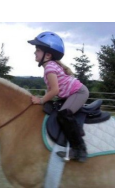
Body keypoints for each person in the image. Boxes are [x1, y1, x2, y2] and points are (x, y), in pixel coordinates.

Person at [28, 31, 89, 162]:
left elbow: (55, 90)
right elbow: (51, 88)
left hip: (79, 92)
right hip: (72, 93)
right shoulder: (50, 66)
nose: (35, 53)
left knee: (64, 114)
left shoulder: (49, 67)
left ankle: (79, 149)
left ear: (48, 54)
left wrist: (40, 100)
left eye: (37, 50)